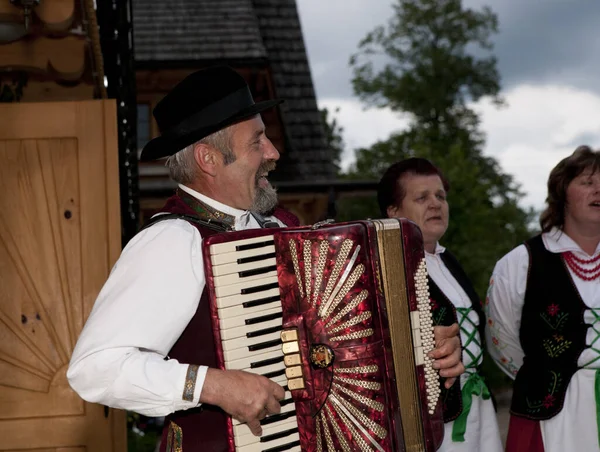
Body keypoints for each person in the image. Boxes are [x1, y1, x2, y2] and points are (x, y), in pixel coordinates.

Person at [67, 67, 465, 451]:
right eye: (257, 141)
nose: (273, 152)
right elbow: (95, 368)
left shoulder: (277, 228)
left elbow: (337, 345)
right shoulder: (173, 241)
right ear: (209, 159)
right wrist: (214, 385)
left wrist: (423, 346)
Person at [378, 158, 503, 452]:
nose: (435, 204)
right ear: (393, 211)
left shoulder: (448, 261)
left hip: (475, 403)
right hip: (431, 420)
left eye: (440, 196)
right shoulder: (392, 271)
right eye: (421, 197)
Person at [486, 145, 600, 452]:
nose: (599, 190)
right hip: (550, 416)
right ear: (562, 193)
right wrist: (548, 375)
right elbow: (502, 342)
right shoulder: (521, 262)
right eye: (588, 182)